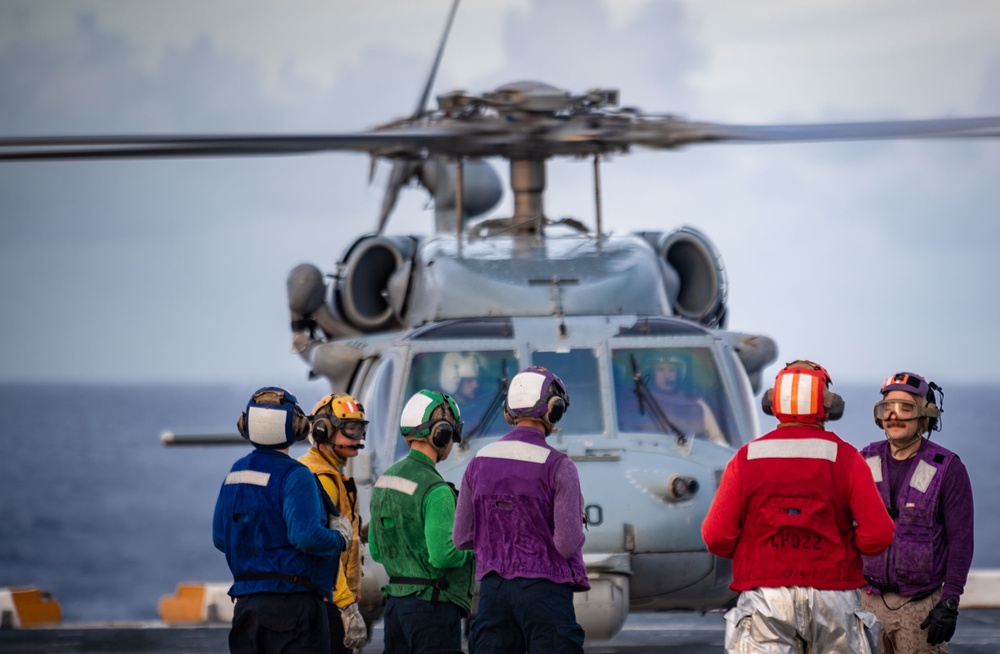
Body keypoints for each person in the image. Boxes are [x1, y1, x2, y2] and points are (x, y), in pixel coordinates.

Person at [701, 360, 895, 653]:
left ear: (773, 403)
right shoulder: (845, 458)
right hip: (835, 597)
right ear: (828, 405)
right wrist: (841, 544)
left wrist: (754, 548)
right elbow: (878, 534)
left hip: (766, 597)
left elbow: (716, 536)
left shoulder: (746, 458)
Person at [454, 365, 589, 654]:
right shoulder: (560, 466)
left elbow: (461, 538)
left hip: (494, 594)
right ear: (553, 410)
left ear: (509, 411)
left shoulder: (478, 462)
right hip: (546, 594)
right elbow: (566, 544)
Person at [213, 386, 352, 654]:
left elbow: (220, 537)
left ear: (246, 425)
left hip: (246, 607)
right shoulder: (296, 475)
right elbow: (306, 536)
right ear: (297, 427)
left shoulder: (235, 473)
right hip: (293, 609)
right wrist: (340, 539)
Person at [860, 372, 974, 653]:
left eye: (905, 408)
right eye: (887, 408)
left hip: (919, 609)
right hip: (865, 603)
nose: (894, 416)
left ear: (926, 415)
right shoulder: (864, 460)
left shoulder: (948, 468)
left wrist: (950, 601)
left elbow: (961, 539)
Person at [368, 389, 475, 654]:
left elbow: (377, 551)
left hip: (395, 607)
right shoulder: (436, 490)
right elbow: (444, 556)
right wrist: (475, 546)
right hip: (432, 609)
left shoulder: (384, 481)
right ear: (442, 434)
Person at [299, 393, 370, 652]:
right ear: (323, 430)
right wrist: (346, 605)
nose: (358, 438)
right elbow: (323, 550)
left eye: (361, 429)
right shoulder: (323, 478)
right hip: (328, 602)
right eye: (351, 429)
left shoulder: (319, 472)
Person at [620, 351, 725, 443]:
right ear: (652, 373)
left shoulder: (696, 404)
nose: (667, 375)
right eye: (660, 369)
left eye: (672, 369)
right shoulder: (637, 401)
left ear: (679, 373)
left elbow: (717, 439)